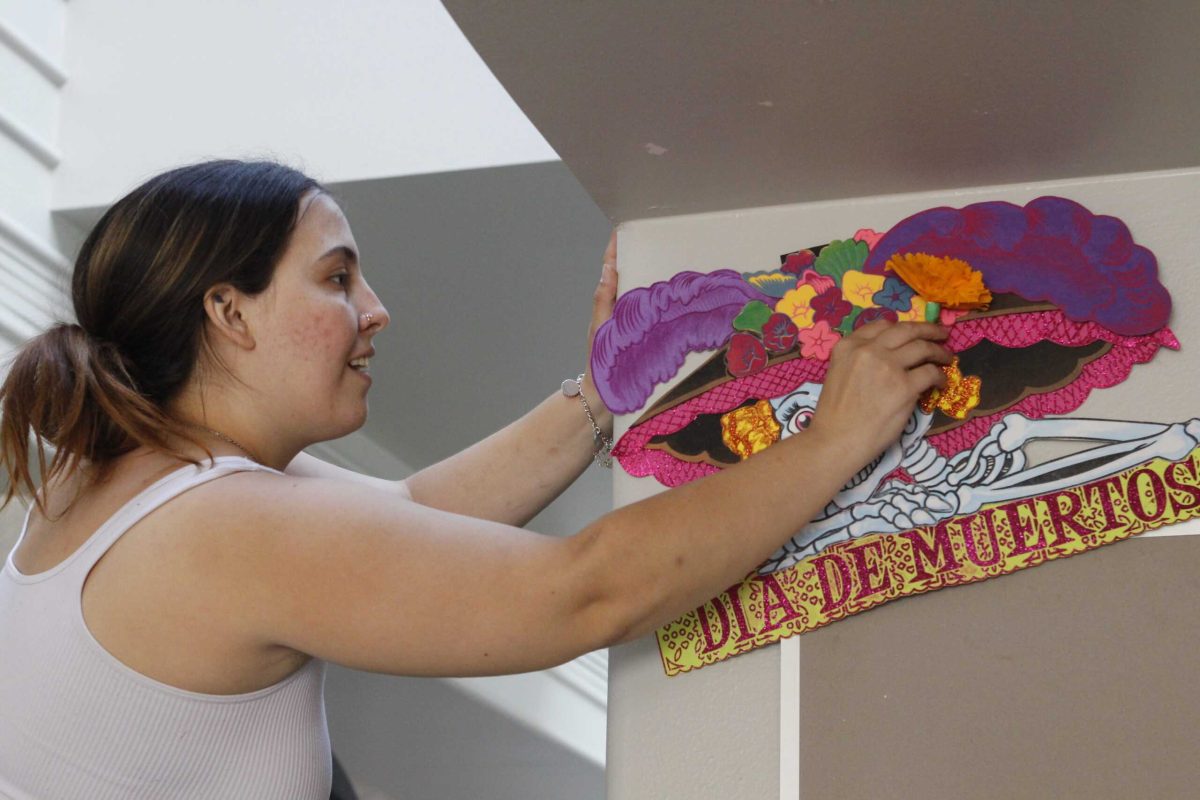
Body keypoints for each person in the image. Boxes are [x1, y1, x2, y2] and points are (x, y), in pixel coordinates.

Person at [0, 160, 951, 798]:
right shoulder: (221, 527)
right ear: (229, 312)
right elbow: (584, 592)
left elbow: (409, 514)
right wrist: (831, 441)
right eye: (336, 279)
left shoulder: (127, 479)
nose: (376, 309)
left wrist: (601, 392)